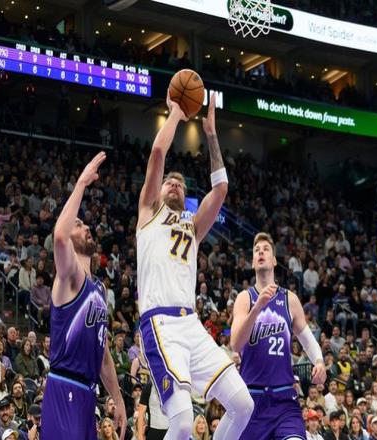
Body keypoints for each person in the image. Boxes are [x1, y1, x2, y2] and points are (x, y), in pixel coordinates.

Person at [137, 92, 253, 440]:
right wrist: (175, 112)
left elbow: (221, 189)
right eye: (169, 182)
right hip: (160, 322)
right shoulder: (148, 212)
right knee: (184, 422)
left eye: (180, 183)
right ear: (159, 190)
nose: (174, 184)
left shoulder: (192, 225)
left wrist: (212, 134)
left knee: (243, 405)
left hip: (191, 324)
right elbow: (158, 154)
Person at [40, 152, 126, 440]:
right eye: (78, 224)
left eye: (85, 224)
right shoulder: (70, 276)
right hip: (65, 388)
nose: (86, 226)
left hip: (88, 395)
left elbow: (104, 355)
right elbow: (60, 236)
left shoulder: (99, 289)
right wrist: (81, 184)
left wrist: (118, 398)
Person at [231, 232, 326, 440]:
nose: (261, 252)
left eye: (265, 249)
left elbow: (307, 338)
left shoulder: (289, 299)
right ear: (253, 262)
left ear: (274, 260)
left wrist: (319, 360)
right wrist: (257, 307)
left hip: (284, 400)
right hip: (252, 400)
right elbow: (235, 343)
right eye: (257, 250)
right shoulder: (244, 298)